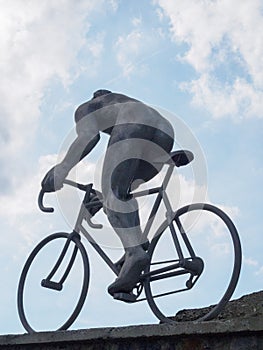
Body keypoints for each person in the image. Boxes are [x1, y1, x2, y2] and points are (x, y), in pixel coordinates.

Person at [41, 89, 174, 296]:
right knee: (121, 193)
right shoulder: (121, 101)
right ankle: (135, 244)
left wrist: (62, 168)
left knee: (112, 195)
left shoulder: (87, 108)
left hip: (134, 123)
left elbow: (88, 137)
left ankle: (135, 252)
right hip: (165, 131)